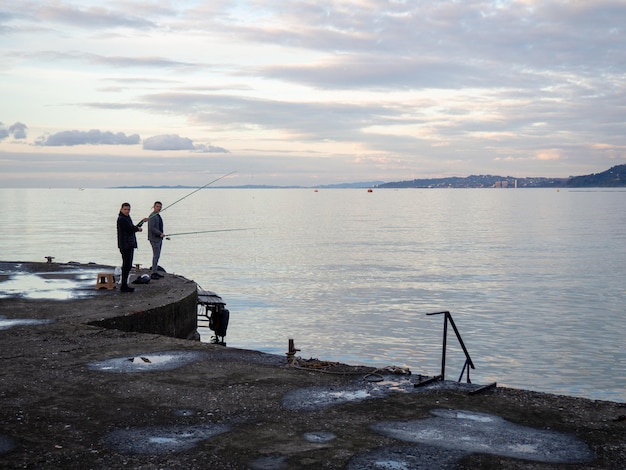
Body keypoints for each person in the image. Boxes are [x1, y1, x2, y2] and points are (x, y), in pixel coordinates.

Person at [116, 203, 147, 293]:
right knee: (126, 265)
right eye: (125, 209)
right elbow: (130, 230)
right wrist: (138, 229)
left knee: (128, 265)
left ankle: (124, 285)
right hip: (125, 245)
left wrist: (142, 222)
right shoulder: (121, 219)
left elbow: (132, 227)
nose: (127, 211)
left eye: (128, 209)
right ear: (121, 209)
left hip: (129, 244)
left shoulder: (127, 218)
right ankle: (124, 286)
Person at [148, 201, 166, 279]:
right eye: (157, 206)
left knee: (157, 256)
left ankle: (155, 271)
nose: (159, 208)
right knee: (156, 256)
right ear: (154, 206)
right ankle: (153, 273)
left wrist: (161, 234)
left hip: (158, 238)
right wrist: (160, 233)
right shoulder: (152, 216)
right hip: (154, 239)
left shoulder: (157, 215)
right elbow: (151, 228)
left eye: (160, 207)